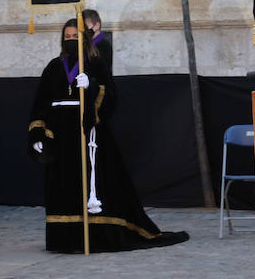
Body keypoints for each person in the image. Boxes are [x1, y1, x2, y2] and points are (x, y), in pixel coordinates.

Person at [27, 18, 188, 253]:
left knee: (97, 182)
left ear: (85, 38)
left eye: (76, 37)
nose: (71, 41)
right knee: (63, 184)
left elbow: (110, 96)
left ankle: (98, 236)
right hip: (60, 137)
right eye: (67, 37)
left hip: (89, 133)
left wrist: (91, 86)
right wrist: (38, 134)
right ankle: (66, 238)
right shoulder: (53, 67)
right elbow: (40, 103)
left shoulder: (95, 64)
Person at [81, 8, 112, 74]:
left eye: (85, 26)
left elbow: (103, 72)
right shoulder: (84, 43)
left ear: (97, 25)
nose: (83, 30)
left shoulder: (104, 45)